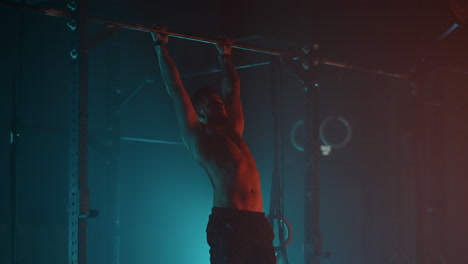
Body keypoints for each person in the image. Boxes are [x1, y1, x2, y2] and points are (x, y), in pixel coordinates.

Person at [151, 26, 276, 264]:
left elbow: (233, 88)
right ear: (200, 114)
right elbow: (176, 89)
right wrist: (161, 46)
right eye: (213, 103)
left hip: (258, 221)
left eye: (219, 102)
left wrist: (225, 55)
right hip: (230, 222)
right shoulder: (198, 138)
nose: (220, 105)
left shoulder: (234, 130)